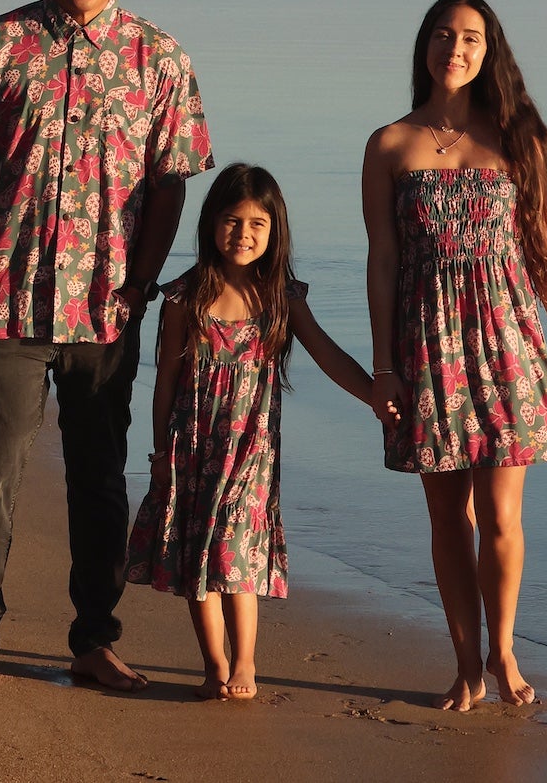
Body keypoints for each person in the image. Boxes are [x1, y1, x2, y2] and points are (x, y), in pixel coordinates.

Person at [0, 0, 214, 690]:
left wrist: (142, 283)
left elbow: (168, 187)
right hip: (4, 296)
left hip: (104, 307)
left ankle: (93, 638)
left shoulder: (160, 59)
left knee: (99, 476)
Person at [362, 0, 547, 712]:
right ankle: (464, 662)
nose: (453, 47)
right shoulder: (389, 143)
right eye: (441, 34)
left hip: (504, 346)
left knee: (500, 515)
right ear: (424, 47)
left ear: (488, 50)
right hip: (426, 345)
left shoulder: (515, 136)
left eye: (468, 37)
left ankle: (503, 649)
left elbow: (545, 254)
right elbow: (381, 260)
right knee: (445, 519)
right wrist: (384, 366)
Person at [127, 162, 371, 701]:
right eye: (232, 222)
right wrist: (159, 451)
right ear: (211, 225)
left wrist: (375, 394)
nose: (243, 235)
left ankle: (246, 663)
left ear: (274, 231)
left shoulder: (281, 295)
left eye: (257, 224)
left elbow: (327, 354)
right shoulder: (184, 297)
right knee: (199, 557)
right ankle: (214, 665)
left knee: (234, 554)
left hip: (250, 451)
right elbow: (165, 378)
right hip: (190, 444)